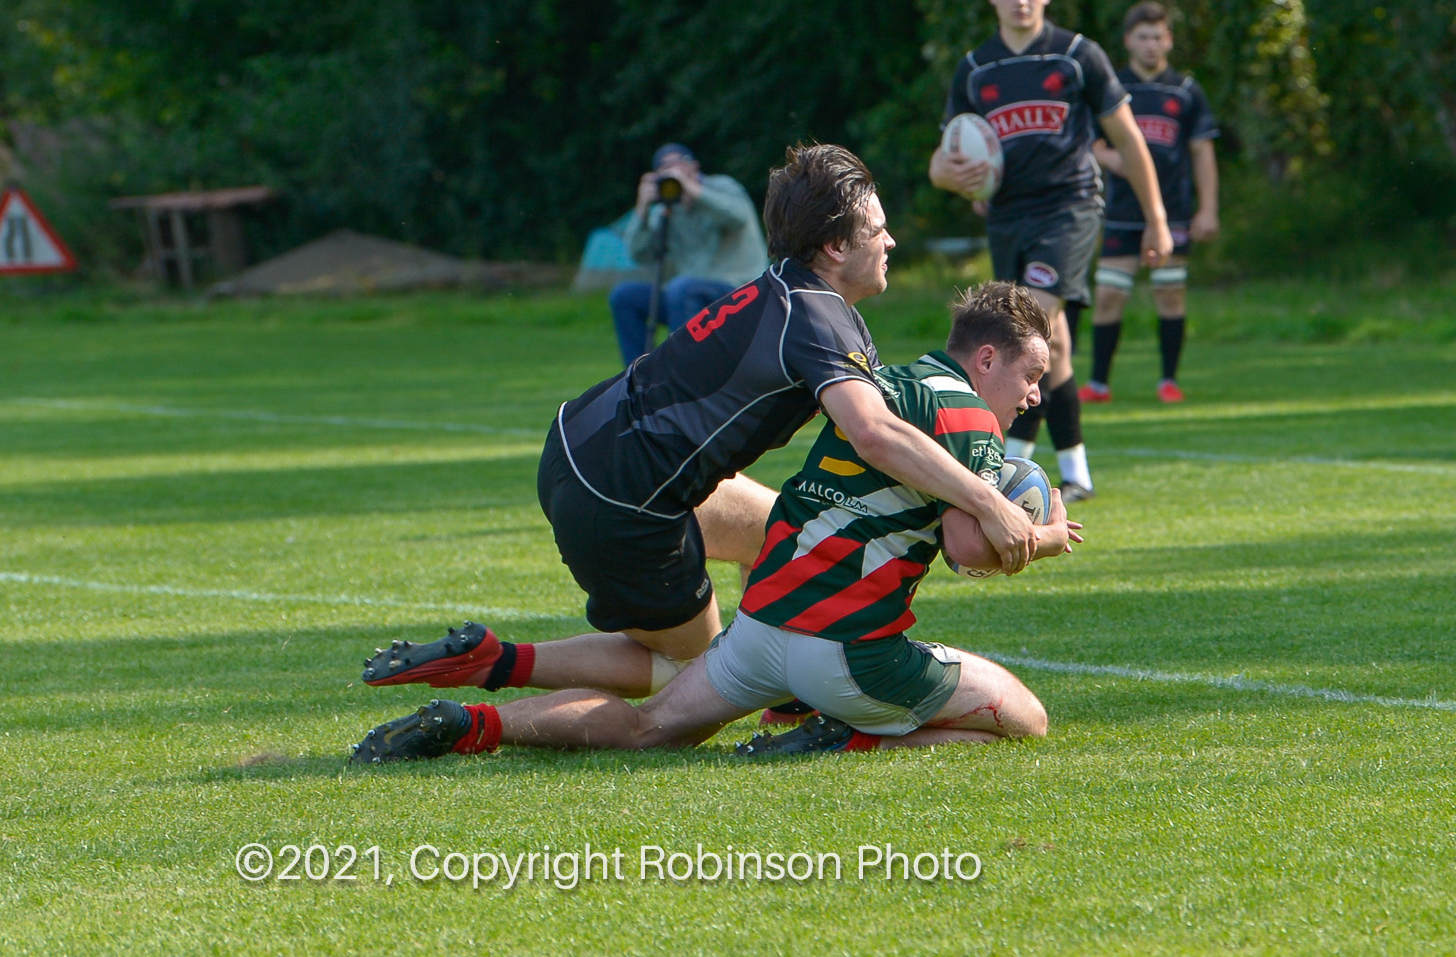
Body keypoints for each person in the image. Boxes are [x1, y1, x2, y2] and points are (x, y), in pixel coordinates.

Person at [361, 144, 1039, 705]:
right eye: (876, 230)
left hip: (579, 441)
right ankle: (493, 660)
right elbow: (874, 434)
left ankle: (793, 667)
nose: (891, 240)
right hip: (621, 502)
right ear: (834, 245)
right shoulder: (821, 320)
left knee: (784, 527)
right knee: (691, 677)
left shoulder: (791, 288)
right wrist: (989, 502)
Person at [350, 281, 1079, 763]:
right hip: (850, 656)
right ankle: (847, 740)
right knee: (1027, 716)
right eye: (1030, 374)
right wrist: (1042, 534)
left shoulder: (880, 377)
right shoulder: (972, 418)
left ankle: (477, 723)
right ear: (986, 357)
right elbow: (970, 548)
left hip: (759, 633)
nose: (1035, 395)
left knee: (650, 725)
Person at [929, 0, 1171, 504]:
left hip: (1070, 207)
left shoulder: (1077, 56)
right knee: (1052, 347)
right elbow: (942, 163)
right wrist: (953, 175)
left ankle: (1007, 467)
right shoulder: (975, 69)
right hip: (1007, 215)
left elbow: (1131, 141)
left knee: (1026, 329)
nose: (1020, 0)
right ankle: (1076, 472)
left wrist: (1156, 220)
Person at [1082, 2, 1220, 405]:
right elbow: (1090, 144)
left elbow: (1203, 152)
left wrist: (1207, 208)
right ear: (1128, 41)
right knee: (1109, 295)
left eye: (1158, 36)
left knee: (1170, 294)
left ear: (1169, 40)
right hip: (1121, 211)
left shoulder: (1186, 91)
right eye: (1142, 36)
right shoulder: (1112, 88)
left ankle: (1168, 381)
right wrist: (1112, 159)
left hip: (1173, 209)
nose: (1151, 45)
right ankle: (1099, 384)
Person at [608, 143, 767, 366]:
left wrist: (691, 189)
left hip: (738, 292)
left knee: (680, 288)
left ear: (694, 167)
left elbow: (737, 216)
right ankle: (639, 381)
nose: (673, 172)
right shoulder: (667, 210)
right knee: (624, 296)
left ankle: (683, 376)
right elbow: (638, 253)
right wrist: (642, 209)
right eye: (665, 168)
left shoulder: (722, 186)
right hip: (685, 296)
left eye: (678, 164)